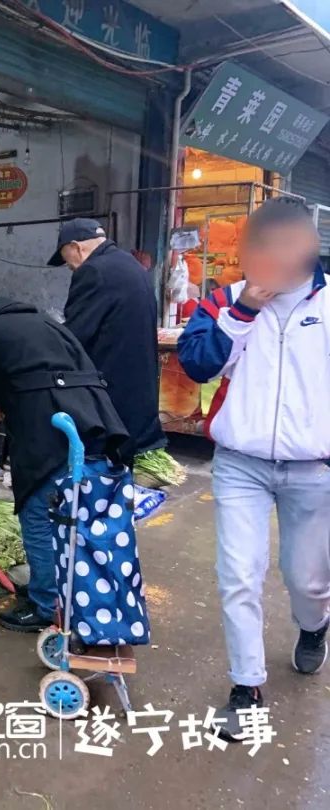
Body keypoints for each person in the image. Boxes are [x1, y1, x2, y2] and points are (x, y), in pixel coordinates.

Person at [177, 198, 330, 741]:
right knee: (239, 576)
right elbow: (197, 364)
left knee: (306, 578)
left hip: (313, 469)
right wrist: (242, 311)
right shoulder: (222, 300)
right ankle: (247, 687)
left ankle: (314, 626)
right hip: (240, 465)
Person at [0, 295, 128, 632]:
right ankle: (80, 596)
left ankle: (45, 605)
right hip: (98, 426)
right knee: (79, 519)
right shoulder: (52, 325)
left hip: (51, 435)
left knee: (39, 515)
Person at [49, 218, 166, 463]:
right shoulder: (131, 266)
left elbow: (76, 335)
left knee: (101, 472)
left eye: (66, 259)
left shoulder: (94, 271)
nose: (70, 268)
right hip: (138, 391)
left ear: (76, 247)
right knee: (123, 474)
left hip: (111, 390)